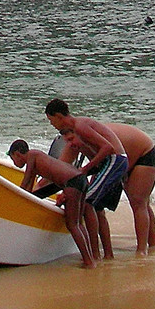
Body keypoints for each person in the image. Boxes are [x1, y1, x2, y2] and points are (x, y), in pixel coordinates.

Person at [44, 99, 128, 259]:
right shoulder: (77, 129)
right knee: (95, 207)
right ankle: (107, 254)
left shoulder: (79, 126)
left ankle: (94, 254)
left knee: (87, 203)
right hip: (110, 163)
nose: (52, 124)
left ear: (59, 116)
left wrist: (86, 169)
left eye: (51, 120)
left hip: (114, 160)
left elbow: (107, 148)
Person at [7, 139, 94, 267]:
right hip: (79, 179)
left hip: (72, 183)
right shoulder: (36, 159)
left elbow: (25, 182)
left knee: (72, 224)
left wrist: (12, 200)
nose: (14, 162)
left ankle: (89, 262)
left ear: (17, 154)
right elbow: (28, 190)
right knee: (78, 223)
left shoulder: (32, 155)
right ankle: (90, 258)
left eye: (13, 158)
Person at [104, 121, 155, 254]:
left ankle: (142, 250)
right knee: (141, 203)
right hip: (125, 156)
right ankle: (153, 244)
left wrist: (123, 173)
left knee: (139, 202)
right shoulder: (78, 137)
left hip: (144, 152)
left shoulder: (88, 134)